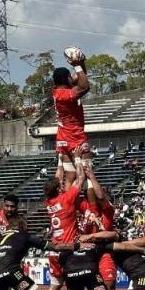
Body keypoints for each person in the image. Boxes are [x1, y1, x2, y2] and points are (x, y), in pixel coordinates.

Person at [31, 155, 87, 290]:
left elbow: (56, 179)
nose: (62, 184)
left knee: (53, 287)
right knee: (73, 288)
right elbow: (80, 178)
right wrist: (77, 159)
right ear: (58, 189)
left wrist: (60, 160)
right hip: (68, 250)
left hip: (54, 251)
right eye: (60, 184)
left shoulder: (49, 202)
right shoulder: (67, 199)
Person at [52, 47, 91, 186]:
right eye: (70, 76)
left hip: (63, 137)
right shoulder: (66, 95)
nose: (72, 77)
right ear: (66, 79)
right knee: (87, 176)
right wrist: (77, 65)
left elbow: (80, 78)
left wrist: (81, 63)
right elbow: (84, 86)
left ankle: (66, 199)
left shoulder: (58, 91)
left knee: (70, 177)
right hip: (75, 136)